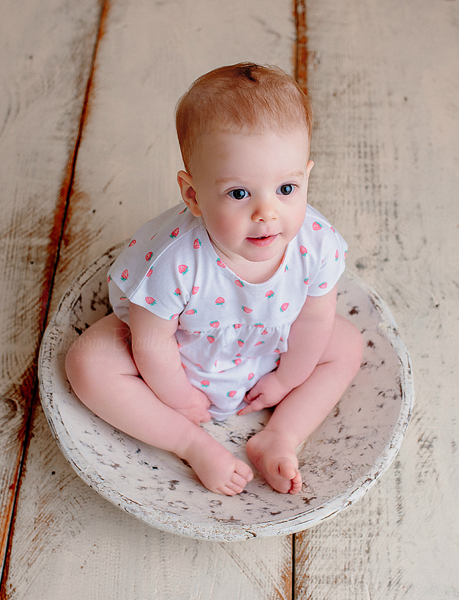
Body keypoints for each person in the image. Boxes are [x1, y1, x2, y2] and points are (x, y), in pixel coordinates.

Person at [65, 63, 362, 496]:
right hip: (182, 358)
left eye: (286, 189)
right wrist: (180, 399)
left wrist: (286, 379)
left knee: (347, 344)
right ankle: (191, 445)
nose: (267, 213)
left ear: (306, 177)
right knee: (88, 364)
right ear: (193, 195)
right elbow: (151, 342)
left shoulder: (317, 244)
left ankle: (281, 436)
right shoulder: (174, 261)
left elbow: (315, 321)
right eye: (239, 193)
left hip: (271, 350)